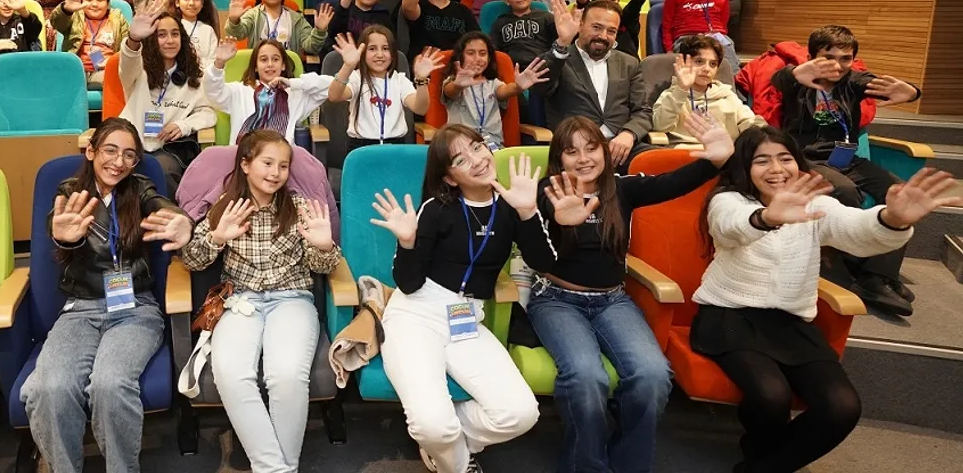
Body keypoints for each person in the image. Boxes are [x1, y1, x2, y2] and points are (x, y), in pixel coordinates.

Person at [692, 127, 959, 473]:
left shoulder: (815, 205)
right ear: (745, 167)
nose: (776, 169)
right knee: (771, 396)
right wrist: (767, 217)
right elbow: (731, 227)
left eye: (785, 158)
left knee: (842, 408)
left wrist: (891, 219)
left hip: (790, 324)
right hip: (730, 317)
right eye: (762, 161)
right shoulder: (728, 200)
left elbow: (855, 228)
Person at [525, 113, 733, 473]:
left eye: (592, 148)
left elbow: (673, 183)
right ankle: (586, 467)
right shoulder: (548, 192)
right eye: (572, 152)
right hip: (557, 299)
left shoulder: (621, 189)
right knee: (586, 377)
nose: (583, 158)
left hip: (612, 300)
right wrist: (552, 218)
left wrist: (716, 161)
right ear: (559, 158)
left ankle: (628, 465)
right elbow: (533, 238)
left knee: (653, 376)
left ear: (605, 152)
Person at [20, 118, 193, 473]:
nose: (119, 162)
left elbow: (162, 206)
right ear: (91, 151)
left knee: (111, 384)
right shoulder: (71, 192)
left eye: (129, 155)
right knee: (49, 388)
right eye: (110, 150)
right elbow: (60, 222)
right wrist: (64, 236)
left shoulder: (139, 189)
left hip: (135, 308)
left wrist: (182, 220)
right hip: (80, 309)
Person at [370, 125, 543, 473]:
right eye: (461, 160)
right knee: (433, 426)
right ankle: (457, 462)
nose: (477, 161)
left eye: (478, 148)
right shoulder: (436, 209)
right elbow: (408, 284)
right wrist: (407, 243)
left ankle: (445, 445)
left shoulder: (510, 205)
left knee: (521, 413)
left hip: (467, 318)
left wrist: (528, 213)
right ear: (449, 178)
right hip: (416, 315)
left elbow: (543, 262)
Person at [180, 131, 340, 473]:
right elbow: (192, 260)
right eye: (267, 163)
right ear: (245, 164)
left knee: (286, 375)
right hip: (241, 301)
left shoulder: (299, 207)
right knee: (231, 373)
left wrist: (325, 246)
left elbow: (323, 267)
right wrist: (217, 237)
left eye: (283, 166)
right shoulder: (225, 207)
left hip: (292, 299)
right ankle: (278, 468)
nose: (275, 172)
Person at [772, 25, 923, 316]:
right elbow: (780, 80)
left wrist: (913, 92)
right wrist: (796, 73)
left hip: (845, 158)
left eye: (846, 58)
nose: (838, 66)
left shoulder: (852, 81)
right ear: (812, 57)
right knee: (844, 190)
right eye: (829, 57)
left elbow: (877, 84)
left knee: (903, 194)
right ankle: (846, 264)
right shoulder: (799, 79)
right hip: (806, 159)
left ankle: (877, 275)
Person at [534, 0, 654, 173]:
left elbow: (643, 111)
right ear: (580, 25)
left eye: (611, 31)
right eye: (597, 27)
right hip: (576, 150)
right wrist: (562, 43)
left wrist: (629, 134)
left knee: (669, 164)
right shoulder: (560, 58)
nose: (603, 36)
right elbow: (540, 89)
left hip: (620, 148)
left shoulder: (629, 63)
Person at [120, 0, 216, 193]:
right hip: (132, 142)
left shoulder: (194, 75)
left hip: (168, 147)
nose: (170, 41)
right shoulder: (138, 70)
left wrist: (183, 125)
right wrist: (133, 39)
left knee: (162, 169)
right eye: (161, 35)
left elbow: (207, 112)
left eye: (175, 34)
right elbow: (128, 61)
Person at [327, 27, 443, 151]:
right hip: (362, 148)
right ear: (362, 53)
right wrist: (348, 66)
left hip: (396, 147)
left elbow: (420, 109)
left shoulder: (400, 80)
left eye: (385, 49)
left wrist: (421, 80)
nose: (380, 55)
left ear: (393, 55)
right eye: (372, 49)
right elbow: (334, 96)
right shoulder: (356, 78)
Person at [207, 38, 332, 144]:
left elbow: (331, 85)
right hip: (246, 157)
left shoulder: (295, 94)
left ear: (283, 65)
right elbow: (214, 93)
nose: (270, 64)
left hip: (281, 159)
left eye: (276, 59)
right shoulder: (239, 91)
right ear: (255, 67)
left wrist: (292, 83)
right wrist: (219, 63)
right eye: (263, 60)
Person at [442, 32, 548, 150]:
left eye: (482, 54)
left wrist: (519, 87)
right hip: (462, 146)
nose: (477, 58)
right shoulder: (454, 82)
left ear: (489, 58)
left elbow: (505, 90)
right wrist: (458, 85)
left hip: (493, 147)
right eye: (471, 53)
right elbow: (450, 91)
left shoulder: (493, 83)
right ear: (461, 56)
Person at [654, 35, 765, 142]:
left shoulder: (726, 95)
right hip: (685, 151)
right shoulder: (672, 94)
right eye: (699, 61)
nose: (707, 69)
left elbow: (750, 121)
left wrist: (764, 133)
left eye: (712, 64)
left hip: (724, 152)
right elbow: (660, 127)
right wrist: (682, 89)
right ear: (685, 64)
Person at [225, 0, 332, 56]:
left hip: (289, 71)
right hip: (259, 70)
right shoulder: (253, 15)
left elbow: (312, 48)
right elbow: (237, 35)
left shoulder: (296, 18)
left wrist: (320, 31)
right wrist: (234, 20)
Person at [51, 0, 131, 88]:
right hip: (77, 70)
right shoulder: (74, 16)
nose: (94, 4)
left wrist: (113, 61)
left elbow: (128, 47)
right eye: (89, 0)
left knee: (118, 78)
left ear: (108, 4)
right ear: (81, 2)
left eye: (100, 0)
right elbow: (56, 23)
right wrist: (66, 10)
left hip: (106, 70)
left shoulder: (117, 18)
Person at [576, 0, 655, 60]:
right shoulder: (589, 18)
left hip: (625, 65)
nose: (608, 3)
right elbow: (585, 6)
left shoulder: (626, 19)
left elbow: (635, 6)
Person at [490, 0, 555, 71]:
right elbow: (493, 51)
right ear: (506, 0)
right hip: (513, 70)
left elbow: (560, 44)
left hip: (543, 67)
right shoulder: (500, 22)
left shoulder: (545, 17)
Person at [171, 0, 222, 70]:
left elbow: (213, 61)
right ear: (177, 2)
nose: (191, 3)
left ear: (202, 3)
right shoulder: (173, 27)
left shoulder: (208, 30)